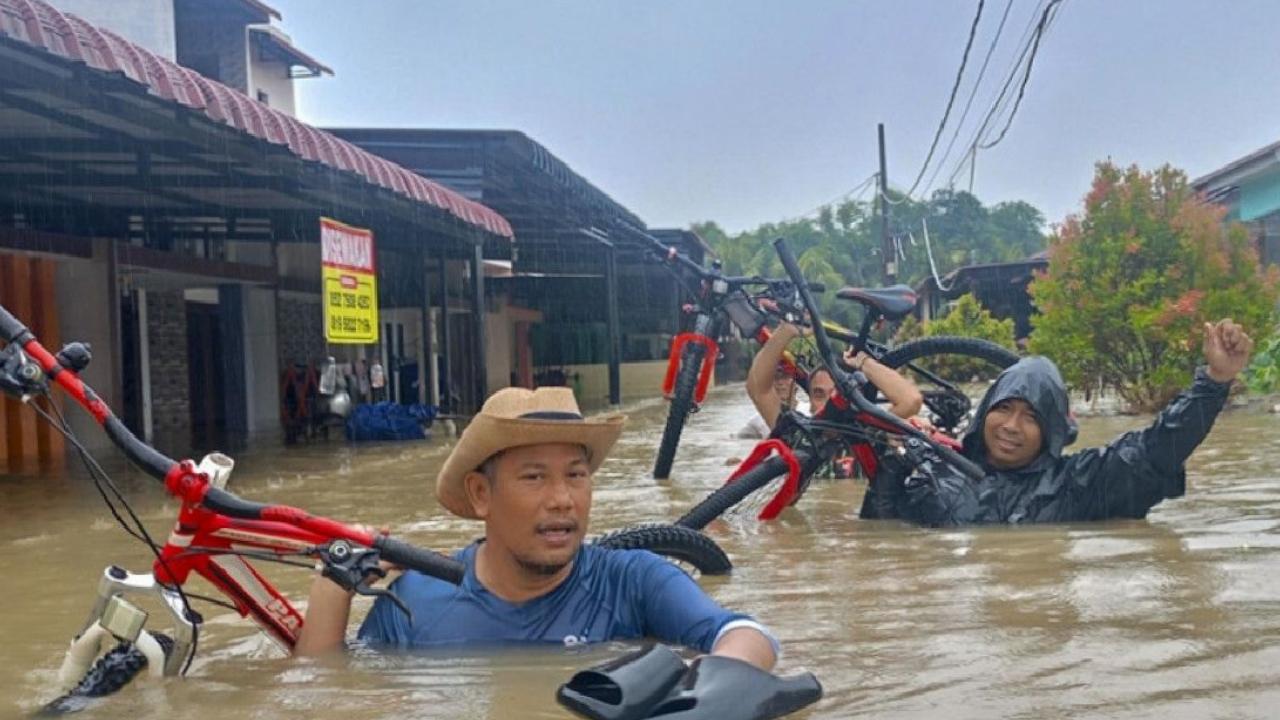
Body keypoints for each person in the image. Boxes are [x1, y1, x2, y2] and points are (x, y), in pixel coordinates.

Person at [296, 386, 779, 670]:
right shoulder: (415, 603)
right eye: (534, 478)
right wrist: (333, 587)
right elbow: (328, 690)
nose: (563, 499)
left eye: (576, 475)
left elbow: (746, 635)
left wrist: (698, 697)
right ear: (481, 494)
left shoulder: (633, 581)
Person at [862, 319, 1254, 526]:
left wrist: (1214, 382)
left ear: (1051, 430)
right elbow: (879, 538)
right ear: (985, 412)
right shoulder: (934, 469)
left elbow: (1157, 450)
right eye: (1004, 409)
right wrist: (890, 465)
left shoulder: (1079, 485)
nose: (1011, 426)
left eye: (1031, 417)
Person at [746, 322, 923, 429]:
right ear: (810, 403)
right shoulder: (800, 438)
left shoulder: (870, 436)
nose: (829, 403)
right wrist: (786, 330)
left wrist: (864, 363)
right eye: (819, 394)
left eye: (837, 394)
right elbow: (757, 389)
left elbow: (911, 401)